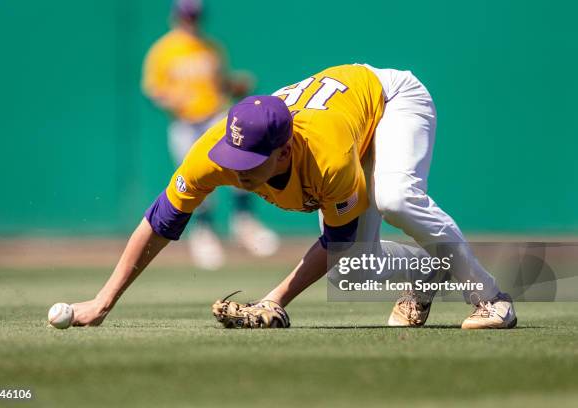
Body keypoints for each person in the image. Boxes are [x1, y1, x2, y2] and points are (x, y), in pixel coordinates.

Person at [73, 63, 517, 330]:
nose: (239, 170)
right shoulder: (213, 153)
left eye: (252, 160)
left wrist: (275, 300)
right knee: (354, 275)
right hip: (349, 121)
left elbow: (336, 240)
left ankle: (492, 299)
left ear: (285, 150)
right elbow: (160, 221)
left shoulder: (326, 158)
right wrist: (102, 301)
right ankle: (434, 270)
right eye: (235, 154)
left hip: (392, 99)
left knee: (395, 197)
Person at [141, 0, 278, 270]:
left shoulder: (211, 47)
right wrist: (172, 99)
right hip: (185, 123)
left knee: (242, 163)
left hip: (215, 116)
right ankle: (204, 236)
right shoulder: (164, 50)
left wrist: (235, 84)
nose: (191, 21)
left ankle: (244, 224)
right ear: (176, 17)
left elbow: (221, 83)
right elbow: (153, 89)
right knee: (196, 178)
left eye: (195, 16)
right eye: (186, 16)